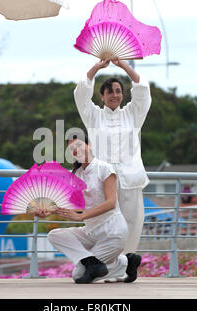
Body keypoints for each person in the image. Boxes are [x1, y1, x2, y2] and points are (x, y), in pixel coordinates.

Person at [35, 133, 142, 284]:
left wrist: (81, 216)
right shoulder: (77, 175)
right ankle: (120, 262)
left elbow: (111, 202)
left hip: (112, 232)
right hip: (91, 232)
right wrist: (48, 211)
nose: (75, 150)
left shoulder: (104, 168)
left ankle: (121, 264)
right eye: (71, 148)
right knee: (54, 235)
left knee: (78, 275)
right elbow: (71, 205)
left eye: (78, 145)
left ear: (89, 144)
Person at [73, 58, 152, 264]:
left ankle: (126, 265)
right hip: (103, 181)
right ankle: (106, 265)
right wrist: (97, 67)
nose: (114, 95)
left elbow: (142, 90)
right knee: (104, 223)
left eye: (118, 91)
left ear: (123, 94)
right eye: (109, 92)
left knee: (132, 222)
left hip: (130, 178)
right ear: (102, 96)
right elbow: (81, 94)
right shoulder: (93, 116)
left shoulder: (132, 115)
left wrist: (124, 66)